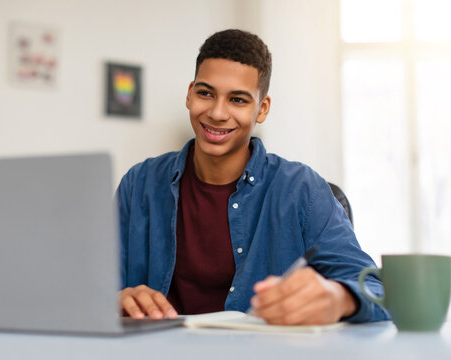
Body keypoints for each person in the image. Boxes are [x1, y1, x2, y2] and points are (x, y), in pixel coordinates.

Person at [116, 29, 388, 325]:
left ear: (262, 109)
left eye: (238, 100)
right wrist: (114, 298)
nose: (218, 113)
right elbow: (90, 288)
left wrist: (338, 298)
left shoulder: (302, 190)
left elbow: (377, 290)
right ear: (189, 93)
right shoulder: (138, 184)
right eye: (206, 93)